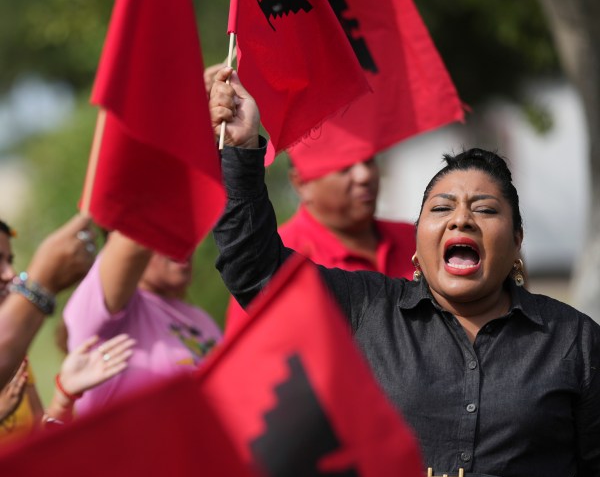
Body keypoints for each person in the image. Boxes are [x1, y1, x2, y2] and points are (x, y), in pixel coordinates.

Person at [209, 67, 599, 477]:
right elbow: (254, 268)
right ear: (416, 245)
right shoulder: (366, 308)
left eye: (484, 209)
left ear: (517, 242)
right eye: (440, 209)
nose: (461, 217)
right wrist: (242, 152)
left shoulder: (572, 339)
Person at [225, 155, 416, 331]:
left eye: (368, 161)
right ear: (301, 183)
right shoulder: (271, 262)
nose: (364, 176)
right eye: (344, 167)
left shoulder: (417, 238)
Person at [63, 230, 222, 416]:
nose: (183, 239)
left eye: (185, 226)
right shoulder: (103, 311)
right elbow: (138, 225)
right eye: (166, 231)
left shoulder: (200, 318)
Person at [0, 214, 96, 389]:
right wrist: (41, 284)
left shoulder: (16, 358)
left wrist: (65, 396)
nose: (10, 274)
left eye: (9, 261)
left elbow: (37, 417)